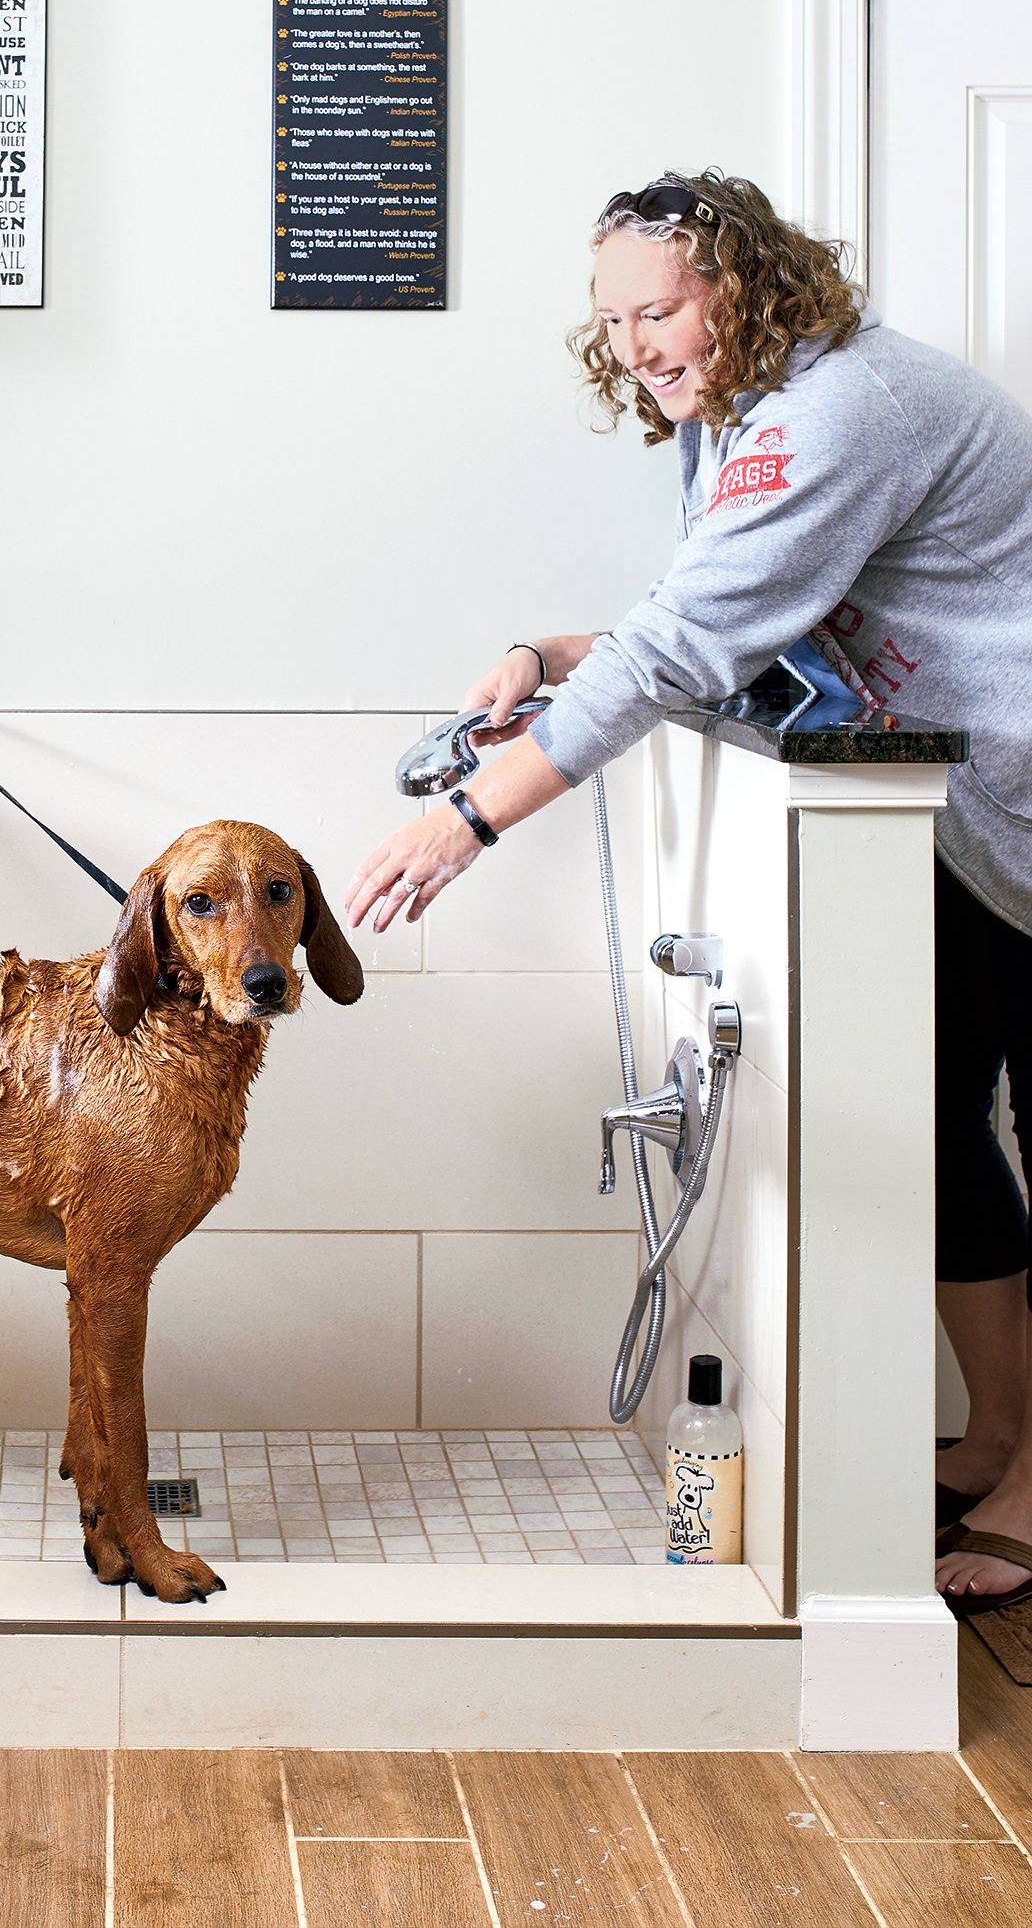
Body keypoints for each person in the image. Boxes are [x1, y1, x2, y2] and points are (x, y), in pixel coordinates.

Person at [344, 170, 1032, 1612]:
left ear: (746, 284)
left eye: (660, 309)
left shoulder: (840, 410)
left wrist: (469, 821)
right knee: (939, 1122)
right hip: (967, 813)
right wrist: (543, 653)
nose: (639, 342)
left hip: (1021, 786)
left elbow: (683, 650)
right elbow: (709, 609)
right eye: (616, 318)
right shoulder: (739, 417)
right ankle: (997, 1437)